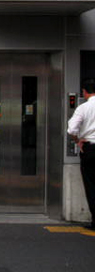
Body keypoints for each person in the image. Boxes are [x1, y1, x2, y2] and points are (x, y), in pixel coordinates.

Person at [67, 78, 95, 231]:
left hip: (90, 149)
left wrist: (77, 140)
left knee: (91, 185)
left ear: (84, 92)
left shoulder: (83, 108)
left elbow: (72, 129)